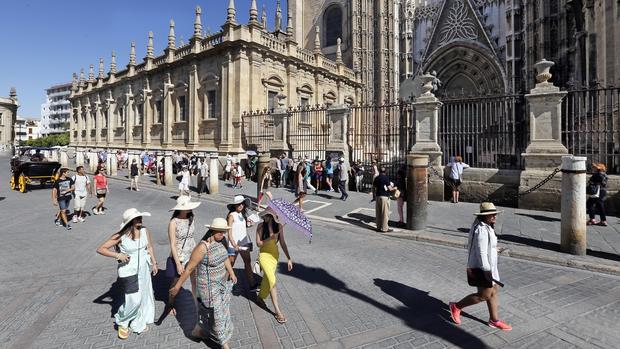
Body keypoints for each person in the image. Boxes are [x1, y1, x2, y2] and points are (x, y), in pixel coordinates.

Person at [169, 218, 237, 348]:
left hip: (220, 285)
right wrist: (177, 286)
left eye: (224, 231)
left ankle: (198, 331)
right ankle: (225, 344)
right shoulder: (202, 247)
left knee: (220, 312)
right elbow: (189, 268)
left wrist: (232, 273)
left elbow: (225, 258)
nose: (223, 234)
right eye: (221, 231)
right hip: (208, 288)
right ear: (212, 230)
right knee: (217, 315)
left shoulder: (221, 242)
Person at [96, 208, 158, 339]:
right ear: (130, 221)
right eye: (137, 218)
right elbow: (101, 249)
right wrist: (118, 254)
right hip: (128, 270)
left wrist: (154, 262)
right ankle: (122, 322)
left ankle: (137, 321)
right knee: (133, 299)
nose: (140, 219)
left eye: (140, 217)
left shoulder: (145, 230)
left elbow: (150, 247)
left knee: (144, 295)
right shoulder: (120, 235)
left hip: (144, 268)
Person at [449, 202, 512, 331]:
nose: (494, 216)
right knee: (484, 295)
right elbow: (481, 253)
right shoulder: (481, 230)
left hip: (490, 266)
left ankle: (494, 320)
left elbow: (486, 247)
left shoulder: (486, 226)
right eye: (491, 214)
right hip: (483, 268)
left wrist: (495, 249)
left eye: (495, 214)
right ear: (484, 216)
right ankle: (456, 306)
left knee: (494, 292)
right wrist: (487, 271)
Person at [255, 208, 293, 324]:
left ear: (273, 217)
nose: (266, 218)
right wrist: (269, 239)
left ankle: (260, 297)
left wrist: (289, 258)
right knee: (272, 281)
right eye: (265, 216)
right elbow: (258, 244)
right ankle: (277, 311)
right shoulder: (261, 226)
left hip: (274, 256)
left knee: (268, 278)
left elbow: (282, 243)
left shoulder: (279, 227)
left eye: (268, 216)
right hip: (264, 255)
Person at [164, 196, 200, 317]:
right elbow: (173, 244)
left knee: (195, 281)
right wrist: (178, 264)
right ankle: (170, 305)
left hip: (192, 254)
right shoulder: (173, 222)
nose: (190, 209)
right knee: (176, 284)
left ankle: (196, 305)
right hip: (179, 256)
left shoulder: (191, 218)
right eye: (187, 207)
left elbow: (192, 237)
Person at [226, 195, 257, 290]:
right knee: (230, 265)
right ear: (235, 205)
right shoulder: (231, 215)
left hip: (243, 243)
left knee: (247, 262)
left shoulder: (243, 215)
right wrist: (234, 244)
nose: (241, 205)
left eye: (242, 203)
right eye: (238, 204)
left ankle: (252, 284)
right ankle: (225, 284)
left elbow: (242, 227)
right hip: (234, 244)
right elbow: (229, 232)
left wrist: (250, 224)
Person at [373, 167, 395, 232]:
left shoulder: (376, 178)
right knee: (385, 213)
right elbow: (390, 188)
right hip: (385, 196)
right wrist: (395, 188)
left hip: (378, 196)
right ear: (385, 172)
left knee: (378, 212)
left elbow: (374, 187)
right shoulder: (386, 178)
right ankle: (385, 228)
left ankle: (378, 227)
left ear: (379, 171)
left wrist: (374, 196)